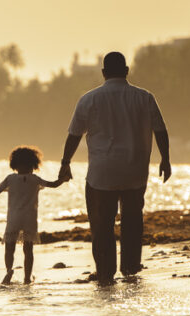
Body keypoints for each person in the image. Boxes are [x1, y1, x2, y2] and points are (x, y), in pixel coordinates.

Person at [58, 51, 171, 286]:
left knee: (102, 225)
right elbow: (160, 129)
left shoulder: (89, 99)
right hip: (134, 171)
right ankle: (130, 270)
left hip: (102, 173)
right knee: (132, 221)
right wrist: (165, 159)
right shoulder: (144, 97)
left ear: (103, 72)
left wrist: (65, 163)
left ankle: (105, 274)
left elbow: (74, 135)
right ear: (127, 71)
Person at [0, 145, 64, 284]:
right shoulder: (35, 179)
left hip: (14, 218)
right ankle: (27, 277)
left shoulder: (10, 179)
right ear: (33, 163)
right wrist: (63, 178)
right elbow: (54, 184)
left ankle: (9, 271)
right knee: (28, 249)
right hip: (30, 218)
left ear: (14, 164)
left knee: (9, 248)